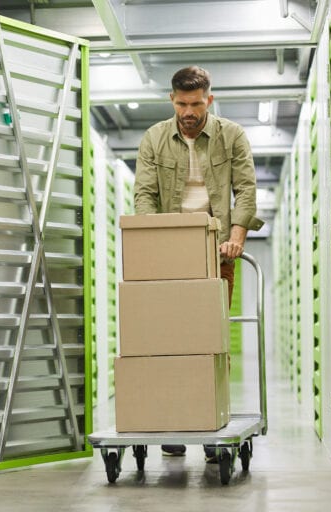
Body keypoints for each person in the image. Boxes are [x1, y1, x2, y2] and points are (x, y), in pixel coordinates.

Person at [133, 65, 264, 461]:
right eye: (181, 103)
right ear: (171, 100)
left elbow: (245, 188)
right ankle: (174, 421)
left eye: (195, 103)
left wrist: (236, 237)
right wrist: (153, 245)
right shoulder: (154, 138)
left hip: (216, 247)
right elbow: (144, 195)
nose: (188, 111)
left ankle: (210, 421)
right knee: (167, 341)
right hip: (170, 248)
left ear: (209, 99)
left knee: (212, 340)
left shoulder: (232, 135)